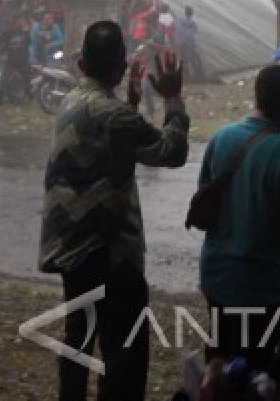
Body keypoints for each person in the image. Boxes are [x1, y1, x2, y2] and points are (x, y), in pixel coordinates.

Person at [39, 20, 190, 401]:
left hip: (73, 248)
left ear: (81, 66)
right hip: (108, 254)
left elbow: (107, 147)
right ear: (121, 67)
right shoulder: (114, 115)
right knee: (123, 352)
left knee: (80, 340)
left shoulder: (72, 101)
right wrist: (173, 99)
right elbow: (171, 152)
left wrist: (133, 103)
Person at [198, 65, 280, 370]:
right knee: (255, 370)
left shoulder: (222, 137)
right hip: (262, 286)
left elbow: (205, 198)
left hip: (217, 276)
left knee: (220, 358)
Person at [0, 14, 31, 105]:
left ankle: (30, 97)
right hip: (11, 60)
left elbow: (29, 42)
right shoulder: (8, 32)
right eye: (17, 22)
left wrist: (27, 32)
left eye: (21, 21)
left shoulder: (24, 32)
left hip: (23, 60)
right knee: (4, 79)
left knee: (27, 79)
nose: (19, 23)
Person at [175, 5, 206, 82]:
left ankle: (181, 75)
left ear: (185, 12)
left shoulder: (179, 19)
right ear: (191, 14)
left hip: (179, 42)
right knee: (190, 59)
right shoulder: (192, 23)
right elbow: (194, 31)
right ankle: (191, 77)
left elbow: (175, 28)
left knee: (181, 59)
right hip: (188, 44)